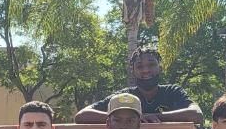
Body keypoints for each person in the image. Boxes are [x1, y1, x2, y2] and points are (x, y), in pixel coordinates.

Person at [74, 49, 202, 124]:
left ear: (160, 68)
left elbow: (197, 115)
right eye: (140, 66)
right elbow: (81, 116)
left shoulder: (173, 92)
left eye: (151, 65)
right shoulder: (123, 97)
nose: (145, 70)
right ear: (133, 71)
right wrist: (135, 118)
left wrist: (156, 117)